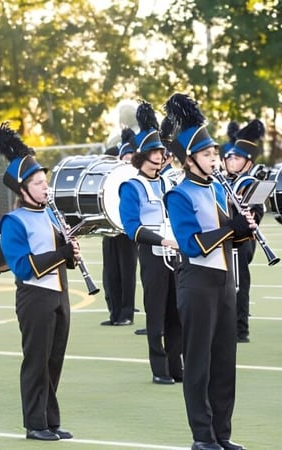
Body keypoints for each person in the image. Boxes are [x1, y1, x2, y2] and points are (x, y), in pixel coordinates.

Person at [163, 93, 254, 450]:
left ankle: (222, 433)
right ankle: (203, 437)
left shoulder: (218, 188)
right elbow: (192, 243)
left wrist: (247, 226)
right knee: (198, 363)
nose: (214, 159)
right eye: (207, 155)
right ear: (189, 160)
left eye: (215, 153)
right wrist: (231, 228)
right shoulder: (179, 195)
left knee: (224, 363)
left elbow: (232, 237)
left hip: (223, 281)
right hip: (196, 282)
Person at [0, 122, 77, 442]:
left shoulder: (52, 214)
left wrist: (71, 254)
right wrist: (62, 253)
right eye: (39, 183)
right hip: (35, 296)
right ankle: (34, 423)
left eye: (45, 181)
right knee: (36, 361)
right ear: (23, 189)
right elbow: (24, 267)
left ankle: (50, 419)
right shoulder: (13, 221)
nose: (45, 187)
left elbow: (59, 256)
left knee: (54, 360)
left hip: (59, 292)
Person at [118, 101, 183, 385]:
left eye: (161, 151)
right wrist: (162, 240)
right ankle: (159, 368)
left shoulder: (169, 182)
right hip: (153, 253)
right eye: (155, 152)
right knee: (156, 312)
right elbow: (132, 227)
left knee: (176, 312)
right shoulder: (131, 186)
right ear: (143, 155)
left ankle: (176, 365)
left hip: (176, 252)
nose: (161, 155)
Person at [222, 120, 266, 344]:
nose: (231, 161)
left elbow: (257, 214)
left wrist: (238, 206)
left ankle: (241, 329)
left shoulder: (252, 183)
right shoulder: (219, 181)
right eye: (229, 157)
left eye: (236, 158)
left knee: (239, 285)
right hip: (221, 241)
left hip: (242, 242)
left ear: (248, 163)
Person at [100, 128, 138, 327]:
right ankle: (114, 312)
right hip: (110, 228)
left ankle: (126, 313)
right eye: (125, 156)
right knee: (110, 273)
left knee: (127, 273)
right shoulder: (111, 176)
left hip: (127, 231)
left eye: (132, 156)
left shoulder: (135, 177)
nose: (128, 159)